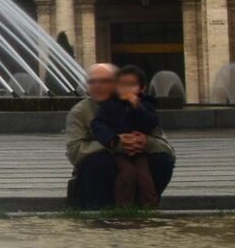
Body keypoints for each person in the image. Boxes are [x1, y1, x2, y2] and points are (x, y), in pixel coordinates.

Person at [66, 62, 175, 209]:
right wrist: (116, 143)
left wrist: (145, 142)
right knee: (101, 162)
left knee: (162, 160)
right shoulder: (80, 112)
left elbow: (166, 146)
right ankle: (101, 209)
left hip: (137, 160)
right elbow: (75, 151)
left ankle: (145, 207)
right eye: (92, 82)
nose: (97, 86)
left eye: (105, 81)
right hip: (98, 176)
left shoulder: (139, 105)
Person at [91, 64, 162, 208]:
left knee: (144, 176)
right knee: (127, 173)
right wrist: (113, 139)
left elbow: (152, 123)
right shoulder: (109, 105)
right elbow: (98, 124)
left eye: (131, 85)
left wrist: (137, 107)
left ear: (142, 88)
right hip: (118, 150)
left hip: (139, 150)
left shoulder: (146, 105)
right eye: (122, 85)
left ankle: (149, 206)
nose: (126, 89)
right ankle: (124, 206)